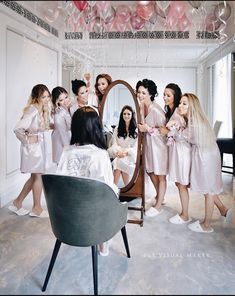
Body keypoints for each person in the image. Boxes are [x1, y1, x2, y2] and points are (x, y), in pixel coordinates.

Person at [56, 106, 118, 255]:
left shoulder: (66, 152)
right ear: (96, 128)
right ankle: (103, 243)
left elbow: (59, 183)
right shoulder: (101, 155)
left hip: (66, 215)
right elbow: (109, 191)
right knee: (109, 196)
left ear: (75, 128)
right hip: (92, 216)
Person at [177, 93, 230, 233]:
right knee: (210, 187)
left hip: (206, 157)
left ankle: (206, 225)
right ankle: (223, 209)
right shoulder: (192, 120)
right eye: (180, 103)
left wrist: (174, 126)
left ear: (191, 107)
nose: (179, 106)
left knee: (208, 190)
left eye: (184, 103)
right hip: (208, 153)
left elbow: (180, 137)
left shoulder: (194, 124)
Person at [8, 84, 51, 218]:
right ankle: (36, 208)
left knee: (34, 177)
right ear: (36, 98)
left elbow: (37, 127)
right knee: (38, 176)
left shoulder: (40, 110)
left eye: (48, 96)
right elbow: (17, 129)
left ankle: (17, 202)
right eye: (43, 97)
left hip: (38, 147)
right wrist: (28, 140)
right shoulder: (33, 109)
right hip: (33, 149)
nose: (46, 99)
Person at [137, 79, 168, 217]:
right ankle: (159, 196)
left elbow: (164, 132)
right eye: (139, 92)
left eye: (144, 92)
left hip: (159, 147)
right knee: (150, 172)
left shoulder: (156, 110)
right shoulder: (141, 107)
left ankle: (159, 204)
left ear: (151, 94)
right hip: (149, 146)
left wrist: (148, 129)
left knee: (160, 175)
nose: (140, 95)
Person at [108, 105, 138, 186]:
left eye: (128, 114)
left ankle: (114, 187)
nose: (126, 116)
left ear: (132, 115)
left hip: (130, 155)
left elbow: (136, 146)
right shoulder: (117, 128)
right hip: (119, 153)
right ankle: (127, 186)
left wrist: (126, 152)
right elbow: (114, 143)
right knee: (119, 161)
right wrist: (118, 152)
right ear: (122, 115)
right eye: (124, 114)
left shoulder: (136, 130)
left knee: (119, 162)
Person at [51, 86, 72, 165]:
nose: (65, 101)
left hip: (65, 138)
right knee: (63, 166)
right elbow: (63, 133)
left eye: (66, 97)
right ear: (57, 102)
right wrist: (68, 149)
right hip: (62, 141)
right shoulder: (60, 114)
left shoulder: (68, 108)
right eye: (61, 100)